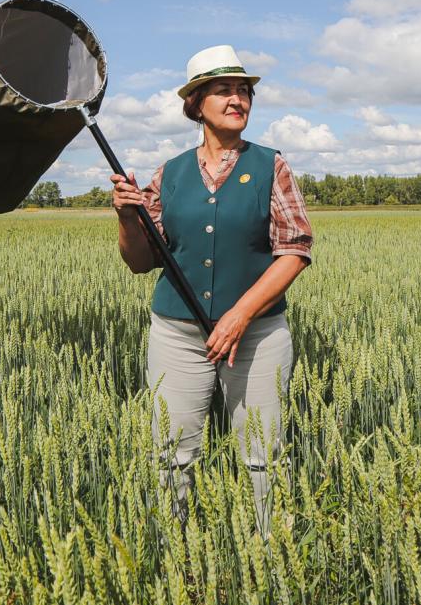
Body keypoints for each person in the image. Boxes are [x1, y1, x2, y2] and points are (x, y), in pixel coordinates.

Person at [109, 45, 313, 536]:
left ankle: (273, 553)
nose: (238, 99)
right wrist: (127, 218)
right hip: (178, 336)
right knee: (171, 454)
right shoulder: (170, 173)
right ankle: (173, 553)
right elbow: (141, 262)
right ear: (196, 104)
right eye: (223, 90)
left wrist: (240, 315)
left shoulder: (271, 166)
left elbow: (295, 250)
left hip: (257, 336)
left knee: (264, 454)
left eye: (244, 91)